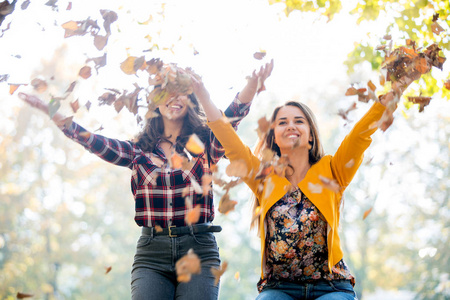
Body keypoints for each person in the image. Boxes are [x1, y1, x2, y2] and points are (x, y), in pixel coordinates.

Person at [18, 61, 273, 300]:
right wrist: (53, 113)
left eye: (181, 92)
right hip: (152, 253)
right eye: (166, 92)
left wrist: (252, 85)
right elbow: (92, 140)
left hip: (199, 250)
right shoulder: (137, 151)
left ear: (191, 100)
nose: (174, 98)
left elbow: (230, 119)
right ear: (155, 102)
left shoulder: (205, 143)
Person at [192, 66, 419, 299]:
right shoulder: (263, 176)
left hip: (331, 287)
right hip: (278, 288)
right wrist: (203, 96)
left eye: (298, 121)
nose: (291, 125)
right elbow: (228, 140)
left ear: (310, 134)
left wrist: (398, 88)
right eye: (282, 122)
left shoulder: (333, 170)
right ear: (274, 137)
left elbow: (361, 135)